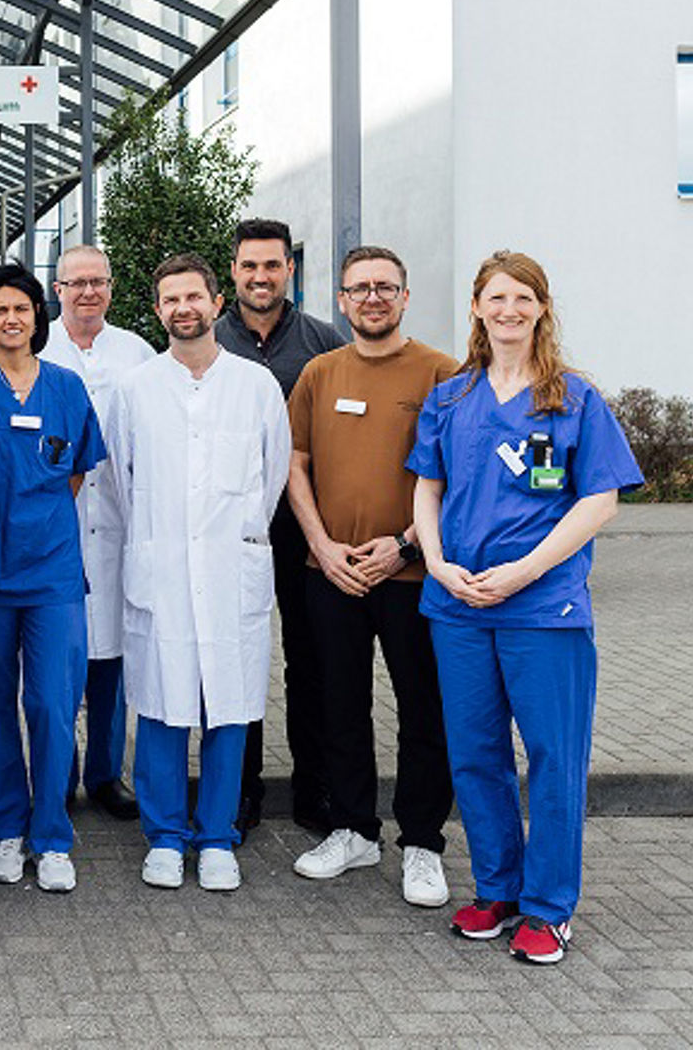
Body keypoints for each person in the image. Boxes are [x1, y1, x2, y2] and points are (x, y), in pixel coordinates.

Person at [409, 251, 641, 965]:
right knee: (476, 757)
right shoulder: (451, 398)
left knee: (552, 757)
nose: (508, 310)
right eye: (495, 298)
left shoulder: (574, 399)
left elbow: (599, 499)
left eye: (523, 298)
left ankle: (548, 907)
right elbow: (428, 488)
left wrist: (526, 571)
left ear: (542, 308)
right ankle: (499, 890)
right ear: (476, 308)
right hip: (460, 606)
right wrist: (440, 562)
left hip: (544, 607)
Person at [108, 254, 289, 893]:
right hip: (162, 568)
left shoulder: (255, 386)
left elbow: (272, 477)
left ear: (216, 303)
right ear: (157, 311)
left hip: (229, 564)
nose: (183, 309)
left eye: (194, 297)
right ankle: (164, 835)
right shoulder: (135, 388)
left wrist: (230, 538)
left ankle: (216, 835)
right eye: (170, 300)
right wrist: (165, 541)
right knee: (161, 705)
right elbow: (120, 485)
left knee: (228, 707)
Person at [285, 246, 459, 907]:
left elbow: (458, 480)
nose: (373, 298)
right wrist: (323, 546)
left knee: (424, 711)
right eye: (360, 288)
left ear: (406, 297)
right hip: (330, 572)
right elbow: (295, 466)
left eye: (386, 287)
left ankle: (421, 842)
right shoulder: (320, 373)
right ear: (340, 300)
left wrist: (406, 546)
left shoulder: (444, 374)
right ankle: (354, 829)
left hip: (411, 575)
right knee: (338, 707)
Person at [0, 264, 104, 894]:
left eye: (21, 309)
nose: (11, 320)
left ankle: (50, 835)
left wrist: (34, 522)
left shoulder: (68, 388)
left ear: (38, 317)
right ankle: (7, 831)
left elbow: (72, 473)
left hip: (52, 578)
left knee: (50, 702)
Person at [214, 218, 346, 835]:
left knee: (310, 658)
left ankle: (314, 789)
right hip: (229, 529)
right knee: (236, 659)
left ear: (289, 269)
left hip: (303, 527)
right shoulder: (210, 342)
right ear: (233, 271)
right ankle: (238, 792)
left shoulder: (323, 343)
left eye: (272, 265)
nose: (260, 277)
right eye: (249, 266)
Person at [40, 244, 154, 821]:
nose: (88, 292)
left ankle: (107, 773)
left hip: (118, 527)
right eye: (75, 282)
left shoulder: (136, 352)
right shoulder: (39, 349)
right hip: (52, 530)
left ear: (111, 287)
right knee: (57, 661)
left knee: (111, 658)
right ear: (56, 288)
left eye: (98, 282)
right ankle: (58, 771)